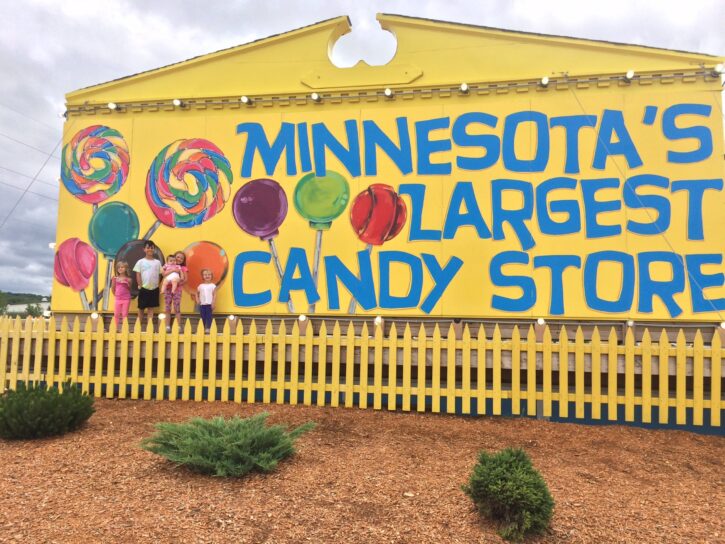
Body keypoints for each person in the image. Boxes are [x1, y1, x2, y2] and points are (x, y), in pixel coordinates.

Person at [133, 240, 162, 327]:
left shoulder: (157, 262)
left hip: (154, 288)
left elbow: (160, 274)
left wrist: (158, 285)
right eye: (148, 247)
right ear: (144, 249)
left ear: (154, 249)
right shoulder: (140, 262)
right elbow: (138, 274)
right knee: (141, 308)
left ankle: (150, 326)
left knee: (151, 308)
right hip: (144, 288)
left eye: (152, 248)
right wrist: (140, 285)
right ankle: (137, 326)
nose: (150, 249)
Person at [163, 251, 188, 332]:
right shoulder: (168, 266)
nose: (179, 259)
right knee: (167, 307)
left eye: (181, 258)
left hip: (177, 290)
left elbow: (185, 279)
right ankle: (167, 326)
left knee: (177, 307)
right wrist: (172, 270)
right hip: (168, 289)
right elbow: (163, 274)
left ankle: (179, 326)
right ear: (174, 257)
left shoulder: (182, 268)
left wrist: (177, 283)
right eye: (178, 257)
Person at [110, 260, 132, 330]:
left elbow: (129, 288)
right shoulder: (115, 278)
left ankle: (124, 329)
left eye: (122, 267)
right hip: (118, 299)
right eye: (118, 267)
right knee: (116, 314)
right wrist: (116, 295)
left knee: (124, 314)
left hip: (126, 299)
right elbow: (113, 288)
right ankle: (115, 328)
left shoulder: (129, 279)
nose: (120, 268)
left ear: (126, 268)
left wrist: (126, 283)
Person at [196, 268, 216, 333]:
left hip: (209, 304)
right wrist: (197, 299)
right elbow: (196, 293)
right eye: (205, 275)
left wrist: (213, 303)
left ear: (211, 276)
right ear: (202, 276)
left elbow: (214, 295)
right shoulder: (200, 286)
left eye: (209, 274)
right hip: (202, 304)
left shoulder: (213, 285)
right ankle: (202, 328)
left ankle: (208, 328)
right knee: (202, 317)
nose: (207, 276)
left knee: (209, 317)